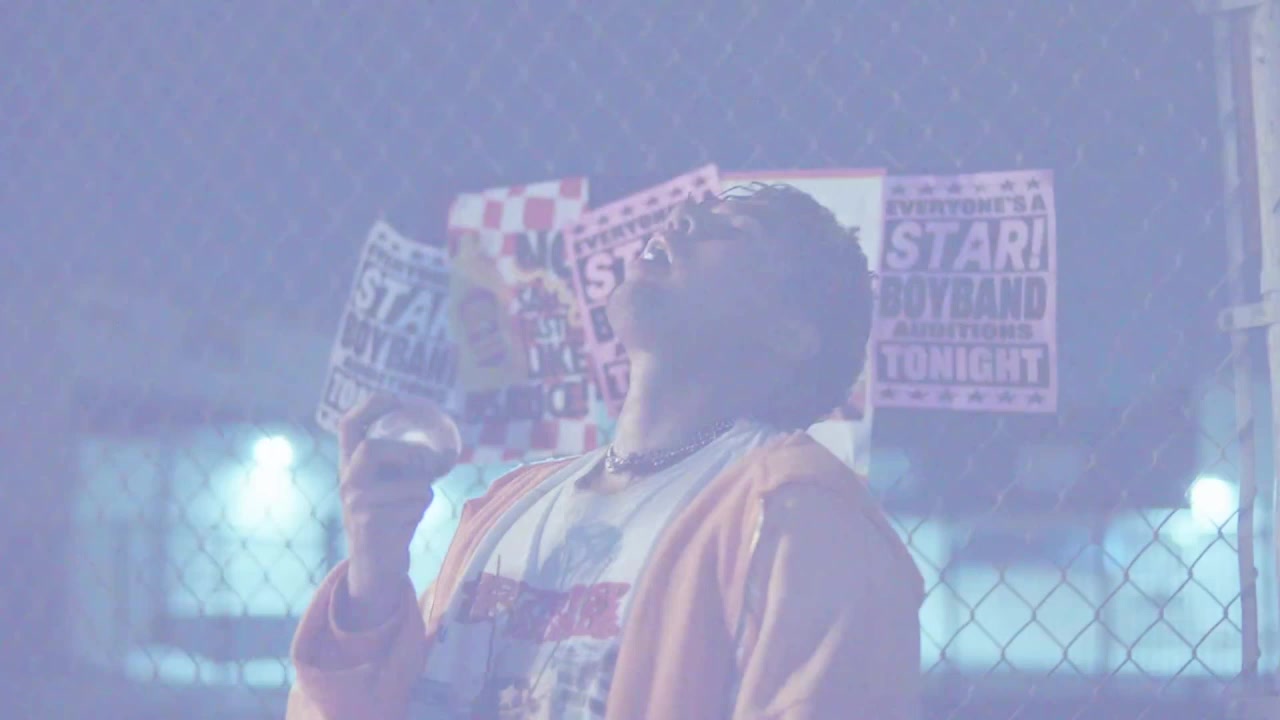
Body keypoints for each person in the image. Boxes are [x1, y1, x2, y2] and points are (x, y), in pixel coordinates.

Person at [287, 183, 924, 719]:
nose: (682, 215)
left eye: (737, 231)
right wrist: (373, 576)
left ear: (790, 332)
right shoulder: (508, 505)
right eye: (696, 210)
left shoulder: (802, 518)